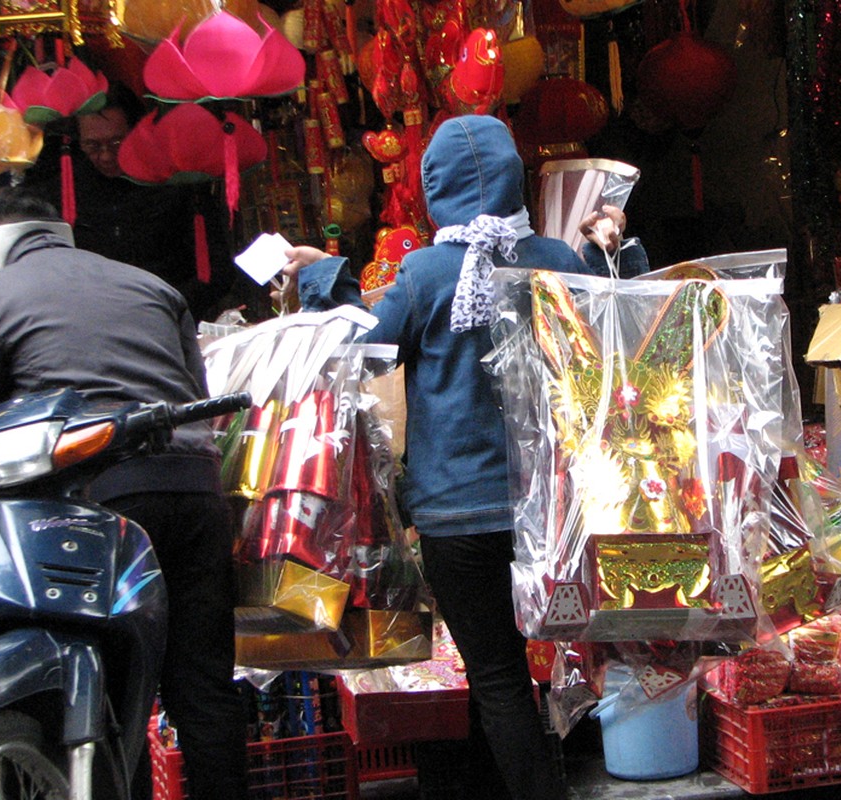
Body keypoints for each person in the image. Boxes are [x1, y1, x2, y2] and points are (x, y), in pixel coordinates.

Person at [270, 115, 647, 800]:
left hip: (455, 516)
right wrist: (615, 247)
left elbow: (359, 350)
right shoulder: (558, 260)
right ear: (513, 178)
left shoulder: (423, 275)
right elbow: (625, 315)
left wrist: (323, 274)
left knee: (497, 676)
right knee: (574, 655)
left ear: (433, 190)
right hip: (553, 511)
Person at [0, 188, 248, 800]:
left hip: (93, 493)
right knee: (203, 684)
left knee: (101, 682)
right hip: (192, 488)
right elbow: (192, 396)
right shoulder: (153, 288)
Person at [25, 83, 236, 324]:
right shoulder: (60, 190)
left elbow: (216, 270)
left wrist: (164, 310)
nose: (105, 156)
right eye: (93, 146)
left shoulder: (174, 182)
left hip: (166, 319)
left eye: (116, 143)